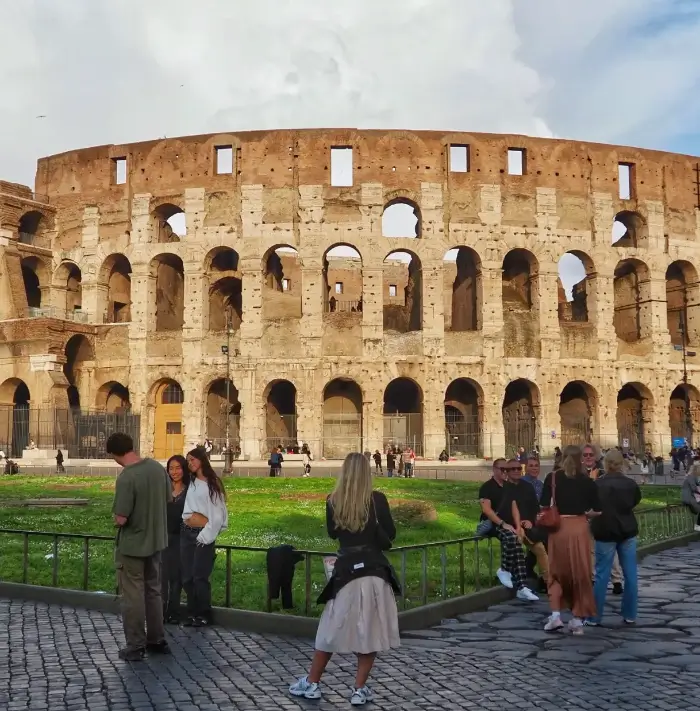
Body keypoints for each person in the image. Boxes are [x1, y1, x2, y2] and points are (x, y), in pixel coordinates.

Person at [289, 453, 400, 705]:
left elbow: (332, 533)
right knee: (369, 631)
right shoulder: (378, 500)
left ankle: (313, 682)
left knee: (330, 629)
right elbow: (390, 535)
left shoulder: (333, 500)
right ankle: (359, 689)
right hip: (373, 571)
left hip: (346, 571)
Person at [107, 432, 170, 661]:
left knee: (133, 596)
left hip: (133, 546)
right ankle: (157, 640)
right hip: (156, 541)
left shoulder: (127, 477)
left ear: (115, 454)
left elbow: (121, 518)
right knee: (154, 591)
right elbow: (167, 499)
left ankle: (135, 645)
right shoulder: (156, 468)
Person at [541, 445, 601, 635]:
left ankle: (556, 615)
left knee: (557, 572)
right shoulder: (588, 481)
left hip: (559, 528)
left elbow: (543, 504)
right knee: (580, 573)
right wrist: (584, 515)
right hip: (580, 527)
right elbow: (598, 509)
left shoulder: (552, 478)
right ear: (580, 459)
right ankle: (577, 619)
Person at [587, 448, 641, 627]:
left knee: (602, 575)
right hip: (627, 530)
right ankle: (630, 614)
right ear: (621, 464)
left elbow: (593, 505)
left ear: (606, 464)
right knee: (631, 574)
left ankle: (594, 616)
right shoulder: (631, 484)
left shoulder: (598, 484)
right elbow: (634, 501)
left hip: (605, 530)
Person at [478, 459, 539, 601]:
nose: (505, 472)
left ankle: (522, 587)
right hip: (494, 524)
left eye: (507, 469)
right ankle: (505, 570)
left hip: (509, 524)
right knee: (510, 538)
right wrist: (502, 523)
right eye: (502, 469)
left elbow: (514, 507)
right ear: (494, 469)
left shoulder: (508, 486)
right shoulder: (487, 487)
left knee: (516, 542)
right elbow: (486, 510)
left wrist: (518, 527)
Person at [181, 447, 228, 626]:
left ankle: (204, 613)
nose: (190, 463)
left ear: (202, 460)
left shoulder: (211, 484)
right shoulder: (191, 482)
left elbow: (217, 515)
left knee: (199, 576)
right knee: (187, 577)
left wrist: (204, 537)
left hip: (202, 536)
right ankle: (192, 612)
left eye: (193, 459)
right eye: (188, 461)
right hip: (187, 533)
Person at [162, 455, 190, 623]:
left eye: (178, 468)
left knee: (176, 577)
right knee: (162, 576)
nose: (174, 472)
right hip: (164, 537)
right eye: (171, 468)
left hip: (181, 537)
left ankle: (174, 611)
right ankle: (161, 610)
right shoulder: (163, 489)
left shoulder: (189, 490)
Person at [681, 464, 700, 531]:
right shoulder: (691, 477)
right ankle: (697, 525)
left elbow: (697, 484)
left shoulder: (692, 477)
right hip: (688, 498)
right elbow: (694, 488)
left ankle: (697, 525)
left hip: (689, 497)